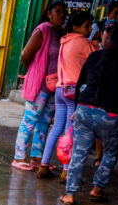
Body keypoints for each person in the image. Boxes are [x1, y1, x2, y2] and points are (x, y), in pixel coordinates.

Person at [60, 23, 118, 205]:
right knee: (110, 153)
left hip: (85, 110)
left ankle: (70, 194)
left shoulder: (95, 57)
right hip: (111, 116)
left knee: (78, 153)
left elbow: (81, 85)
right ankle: (97, 188)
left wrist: (76, 110)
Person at [39, 10, 96, 180]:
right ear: (76, 27)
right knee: (70, 131)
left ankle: (43, 165)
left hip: (59, 89)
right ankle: (66, 170)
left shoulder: (64, 41)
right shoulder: (85, 43)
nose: (89, 28)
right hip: (74, 91)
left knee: (56, 128)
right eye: (87, 26)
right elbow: (95, 61)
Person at [12, 1, 66, 171]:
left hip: (53, 86)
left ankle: (37, 158)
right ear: (49, 13)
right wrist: (34, 70)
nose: (62, 15)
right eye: (58, 11)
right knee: (30, 120)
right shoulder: (43, 29)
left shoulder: (62, 32)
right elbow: (25, 55)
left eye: (64, 12)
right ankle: (19, 157)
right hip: (39, 86)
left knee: (44, 123)